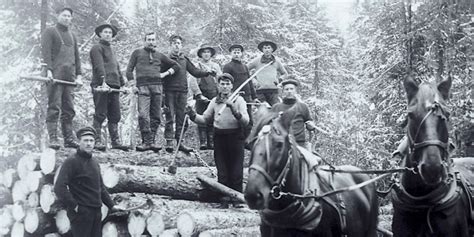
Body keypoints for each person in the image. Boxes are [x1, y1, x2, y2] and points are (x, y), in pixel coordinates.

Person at [186, 73, 249, 206]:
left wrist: (234, 109)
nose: (225, 87)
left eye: (227, 84)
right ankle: (224, 198)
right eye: (222, 84)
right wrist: (192, 115)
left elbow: (246, 121)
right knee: (222, 170)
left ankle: (237, 198)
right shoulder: (215, 101)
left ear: (231, 86)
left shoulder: (239, 100)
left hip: (235, 137)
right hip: (219, 137)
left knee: (236, 170)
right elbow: (204, 119)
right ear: (218, 86)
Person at [54, 126, 122, 237]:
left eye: (91, 140)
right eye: (85, 140)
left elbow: (101, 188)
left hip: (96, 213)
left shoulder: (94, 162)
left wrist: (112, 206)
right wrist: (74, 205)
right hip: (81, 213)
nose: (88, 143)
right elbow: (59, 187)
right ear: (79, 142)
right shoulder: (71, 161)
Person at [126, 32, 180, 152]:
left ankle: (152, 142)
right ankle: (146, 142)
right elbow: (129, 70)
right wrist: (132, 85)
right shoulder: (137, 53)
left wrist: (165, 74)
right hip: (142, 88)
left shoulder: (160, 55)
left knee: (156, 116)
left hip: (157, 87)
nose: (151, 42)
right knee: (143, 115)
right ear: (144, 41)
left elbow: (176, 66)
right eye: (149, 39)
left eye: (153, 40)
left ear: (156, 41)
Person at [163, 35, 215, 153]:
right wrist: (162, 95)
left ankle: (180, 143)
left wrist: (207, 73)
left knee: (182, 117)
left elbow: (195, 71)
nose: (177, 45)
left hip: (182, 92)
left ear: (181, 46)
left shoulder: (184, 59)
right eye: (174, 43)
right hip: (169, 91)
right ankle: (169, 142)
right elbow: (161, 76)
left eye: (179, 43)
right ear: (170, 45)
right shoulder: (165, 59)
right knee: (170, 116)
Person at [41, 7, 83, 149]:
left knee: (69, 109)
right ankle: (53, 138)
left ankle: (69, 139)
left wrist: (79, 75)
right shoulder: (50, 31)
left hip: (69, 77)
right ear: (58, 16)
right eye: (64, 15)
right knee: (54, 107)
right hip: (55, 76)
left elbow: (77, 57)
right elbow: (46, 53)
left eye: (69, 16)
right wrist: (49, 71)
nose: (66, 18)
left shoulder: (72, 35)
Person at [89, 23, 129, 151]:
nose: (108, 34)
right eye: (105, 32)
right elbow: (99, 66)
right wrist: (102, 81)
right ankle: (97, 140)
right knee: (100, 113)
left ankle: (115, 141)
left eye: (110, 33)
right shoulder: (96, 48)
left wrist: (123, 85)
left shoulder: (111, 50)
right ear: (100, 34)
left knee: (115, 114)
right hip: (102, 86)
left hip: (114, 86)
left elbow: (116, 68)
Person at [223, 44, 258, 140]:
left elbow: (249, 81)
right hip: (235, 97)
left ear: (241, 54)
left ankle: (245, 140)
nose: (236, 54)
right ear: (231, 53)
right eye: (234, 52)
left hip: (247, 96)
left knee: (249, 120)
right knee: (237, 118)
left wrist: (254, 96)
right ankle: (236, 140)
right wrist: (227, 95)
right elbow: (225, 82)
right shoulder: (227, 66)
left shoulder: (245, 67)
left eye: (238, 52)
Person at [271, 79, 316, 149]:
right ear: (283, 92)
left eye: (291, 89)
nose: (289, 91)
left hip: (299, 144)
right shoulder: (276, 107)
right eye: (287, 89)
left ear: (295, 91)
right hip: (280, 145)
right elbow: (269, 125)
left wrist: (311, 125)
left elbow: (310, 125)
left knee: (312, 159)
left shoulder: (303, 106)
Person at [194, 43, 222, 150]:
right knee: (201, 118)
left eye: (208, 52)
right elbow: (192, 81)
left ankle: (211, 142)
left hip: (213, 95)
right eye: (204, 52)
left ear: (211, 54)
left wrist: (220, 95)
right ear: (201, 54)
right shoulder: (197, 66)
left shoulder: (215, 66)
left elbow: (221, 80)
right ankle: (203, 142)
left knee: (212, 118)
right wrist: (198, 94)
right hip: (201, 95)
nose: (206, 54)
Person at [247, 40, 288, 106]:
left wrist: (279, 80)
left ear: (272, 49)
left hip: (273, 91)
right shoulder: (257, 60)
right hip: (260, 91)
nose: (267, 50)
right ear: (262, 50)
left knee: (276, 109)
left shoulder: (276, 61)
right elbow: (245, 70)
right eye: (265, 48)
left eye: (269, 48)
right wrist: (253, 80)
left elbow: (285, 74)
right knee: (263, 110)